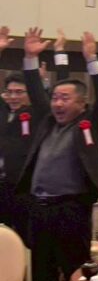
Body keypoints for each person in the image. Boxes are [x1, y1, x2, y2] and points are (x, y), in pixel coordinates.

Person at [16, 31, 98, 281]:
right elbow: (36, 92)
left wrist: (92, 60)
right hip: (39, 208)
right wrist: (30, 58)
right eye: (55, 98)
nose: (57, 103)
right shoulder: (47, 122)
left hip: (71, 210)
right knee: (42, 274)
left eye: (65, 99)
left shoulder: (91, 125)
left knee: (76, 273)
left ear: (81, 104)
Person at [0, 27, 51, 238]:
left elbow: (40, 96)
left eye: (19, 92)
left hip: (25, 190)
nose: (13, 97)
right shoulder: (3, 112)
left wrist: (30, 58)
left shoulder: (38, 113)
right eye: (9, 92)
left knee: (26, 241)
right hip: (1, 189)